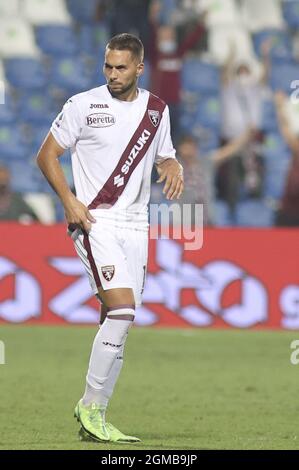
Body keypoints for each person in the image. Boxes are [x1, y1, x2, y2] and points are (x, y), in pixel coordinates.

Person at [36, 33, 183, 443]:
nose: (113, 75)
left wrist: (174, 165)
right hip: (94, 219)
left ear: (139, 67)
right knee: (122, 310)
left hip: (137, 225)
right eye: (108, 67)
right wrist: (68, 201)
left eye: (121, 68)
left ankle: (96, 415)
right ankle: (89, 406)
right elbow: (46, 154)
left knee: (117, 322)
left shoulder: (157, 110)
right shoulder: (82, 105)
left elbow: (164, 153)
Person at [274, 91, 299, 226]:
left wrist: (279, 107)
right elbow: (287, 132)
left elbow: (286, 131)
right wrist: (280, 107)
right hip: (289, 212)